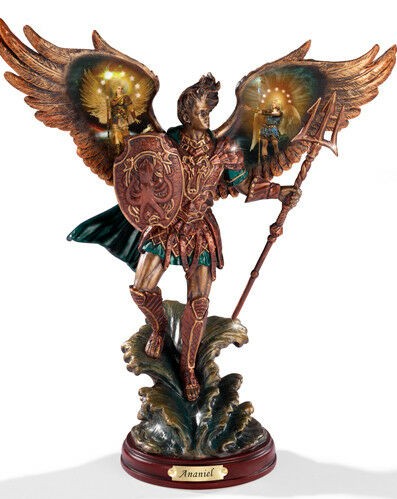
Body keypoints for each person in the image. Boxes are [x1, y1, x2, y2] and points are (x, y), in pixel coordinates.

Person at [127, 75, 301, 400]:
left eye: (208, 112)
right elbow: (139, 177)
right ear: (186, 114)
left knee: (199, 303)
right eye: (202, 112)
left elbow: (244, 185)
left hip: (200, 229)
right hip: (166, 224)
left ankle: (189, 366)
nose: (207, 117)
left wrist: (280, 192)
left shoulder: (224, 150)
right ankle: (159, 328)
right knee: (141, 289)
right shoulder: (165, 144)